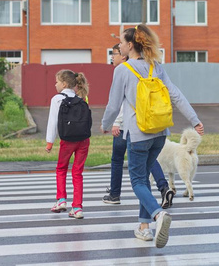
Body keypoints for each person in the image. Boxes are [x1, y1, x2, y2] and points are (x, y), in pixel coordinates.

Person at [101, 25, 204, 248]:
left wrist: (105, 125)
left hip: (138, 135)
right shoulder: (155, 66)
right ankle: (144, 228)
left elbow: (113, 104)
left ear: (130, 45)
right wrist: (195, 120)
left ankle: (158, 215)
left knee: (137, 181)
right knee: (145, 177)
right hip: (160, 134)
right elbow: (176, 95)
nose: (118, 45)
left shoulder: (123, 70)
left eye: (120, 42)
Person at [103, 44, 175, 209]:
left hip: (126, 127)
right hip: (151, 127)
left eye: (115, 53)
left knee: (121, 163)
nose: (112, 57)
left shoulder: (124, 70)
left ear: (124, 55)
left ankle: (116, 194)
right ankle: (162, 189)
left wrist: (113, 123)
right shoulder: (146, 68)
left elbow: (121, 104)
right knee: (147, 163)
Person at [46, 70, 90, 219]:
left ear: (64, 84)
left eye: (57, 82)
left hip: (68, 140)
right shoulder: (81, 98)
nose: (55, 84)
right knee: (77, 173)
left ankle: (61, 199)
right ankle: (77, 208)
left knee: (61, 168)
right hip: (84, 140)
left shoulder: (57, 99)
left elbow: (52, 122)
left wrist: (49, 142)